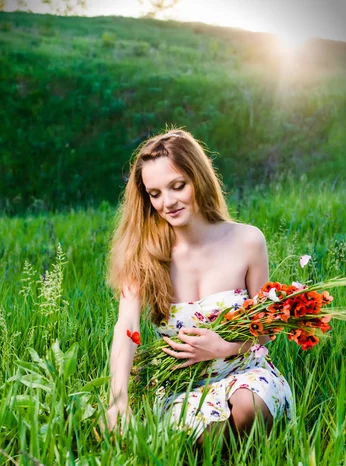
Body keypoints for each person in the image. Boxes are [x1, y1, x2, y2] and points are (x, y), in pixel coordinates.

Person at [103, 128, 293, 446]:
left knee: (247, 408)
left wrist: (224, 348)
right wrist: (117, 399)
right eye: (155, 193)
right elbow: (127, 326)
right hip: (182, 384)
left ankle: (249, 457)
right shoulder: (144, 252)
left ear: (198, 179)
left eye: (178, 186)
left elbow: (264, 331)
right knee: (207, 438)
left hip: (244, 370)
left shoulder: (247, 240)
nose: (168, 202)